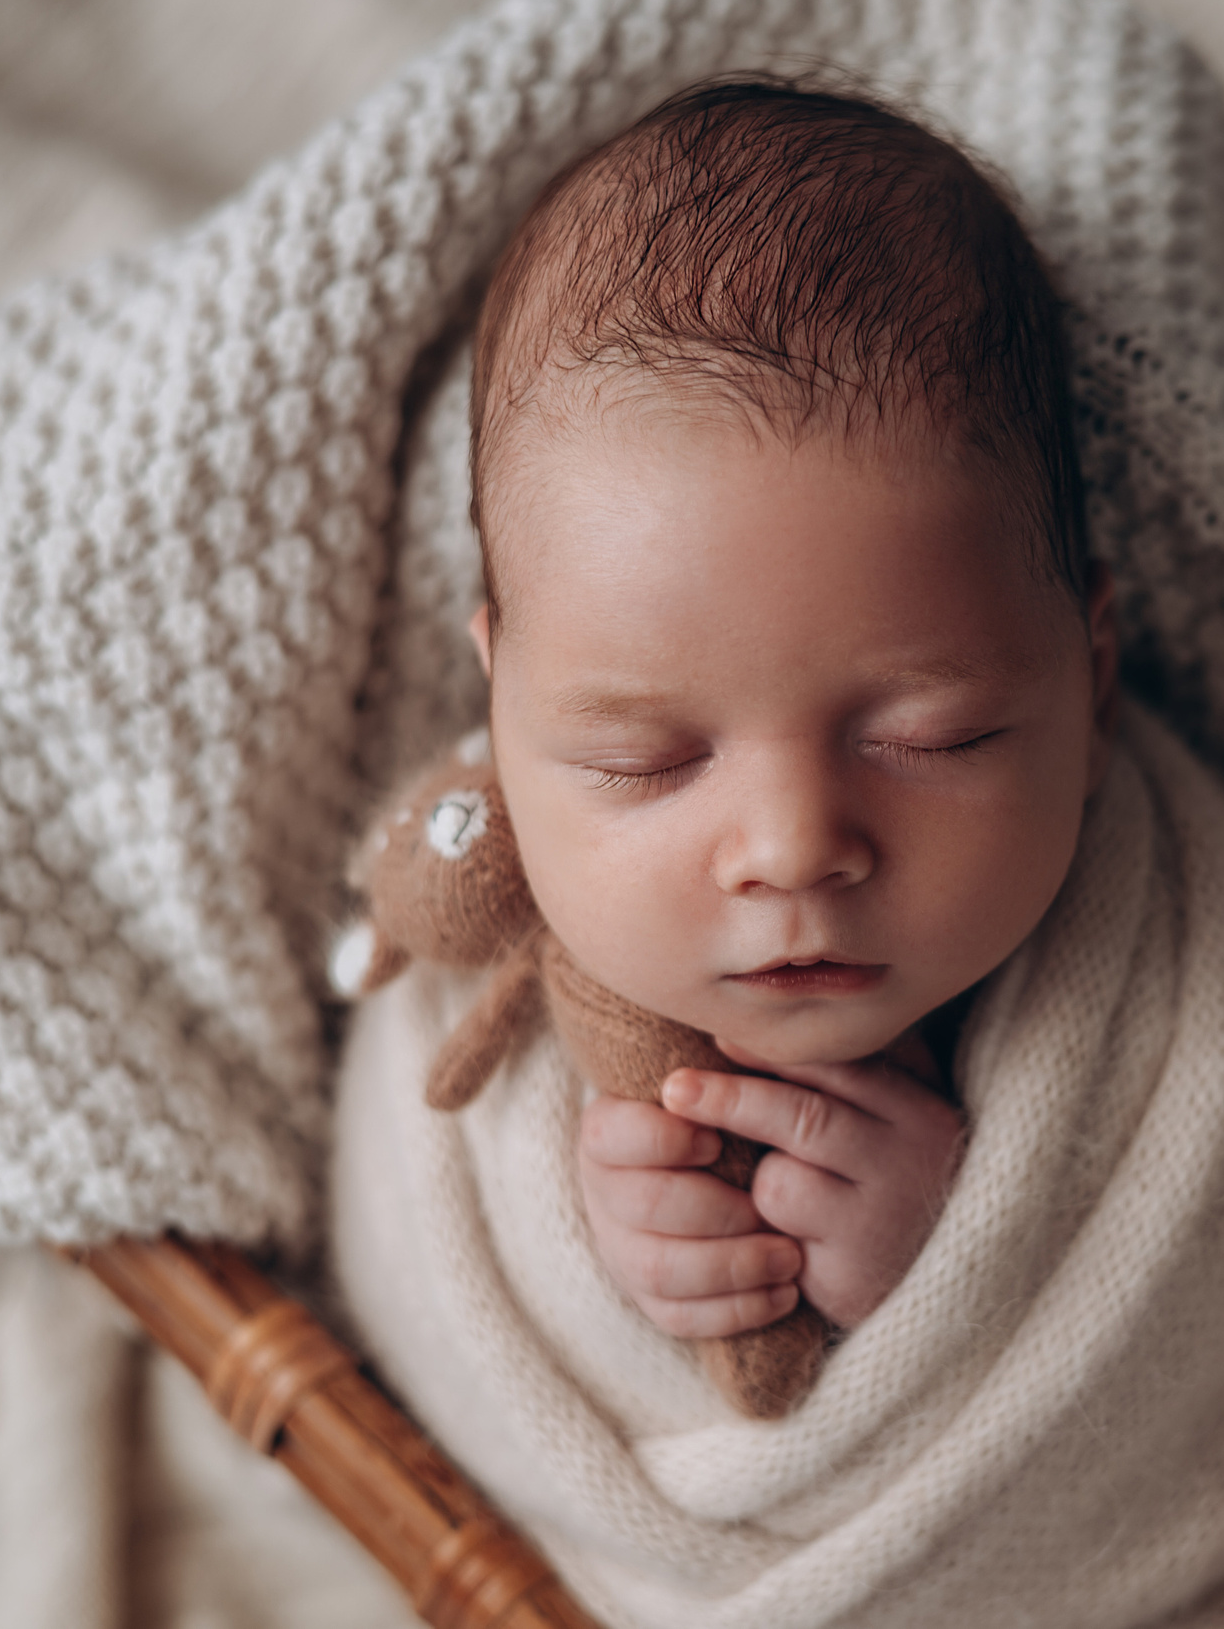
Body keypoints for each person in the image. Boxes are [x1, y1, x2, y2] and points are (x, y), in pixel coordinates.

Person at [461, 79, 1118, 1340]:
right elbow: (415, 1246)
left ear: (1091, 677)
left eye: (931, 737)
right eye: (641, 760)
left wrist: (965, 1281)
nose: (793, 846)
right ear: (500, 705)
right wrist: (586, 1259)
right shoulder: (489, 927)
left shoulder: (1168, 959)